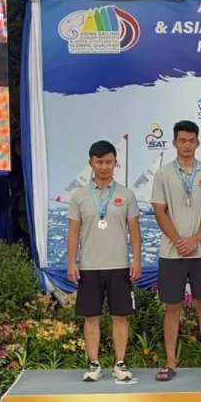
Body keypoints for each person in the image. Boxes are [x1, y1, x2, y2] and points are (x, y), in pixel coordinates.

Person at [151, 120, 201, 381]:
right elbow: (159, 210)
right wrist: (179, 240)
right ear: (174, 143)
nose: (187, 145)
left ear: (197, 143)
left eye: (192, 141)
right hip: (172, 253)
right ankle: (170, 363)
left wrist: (196, 239)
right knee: (172, 307)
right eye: (182, 141)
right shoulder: (163, 174)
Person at [67, 140, 141, 382]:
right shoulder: (79, 196)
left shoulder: (126, 194)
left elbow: (134, 231)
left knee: (120, 316)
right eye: (99, 162)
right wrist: (71, 263)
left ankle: (120, 364)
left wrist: (137, 260)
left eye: (109, 162)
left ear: (115, 163)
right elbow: (73, 232)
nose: (104, 166)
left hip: (119, 266)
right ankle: (94, 364)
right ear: (91, 163)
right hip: (89, 266)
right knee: (91, 317)